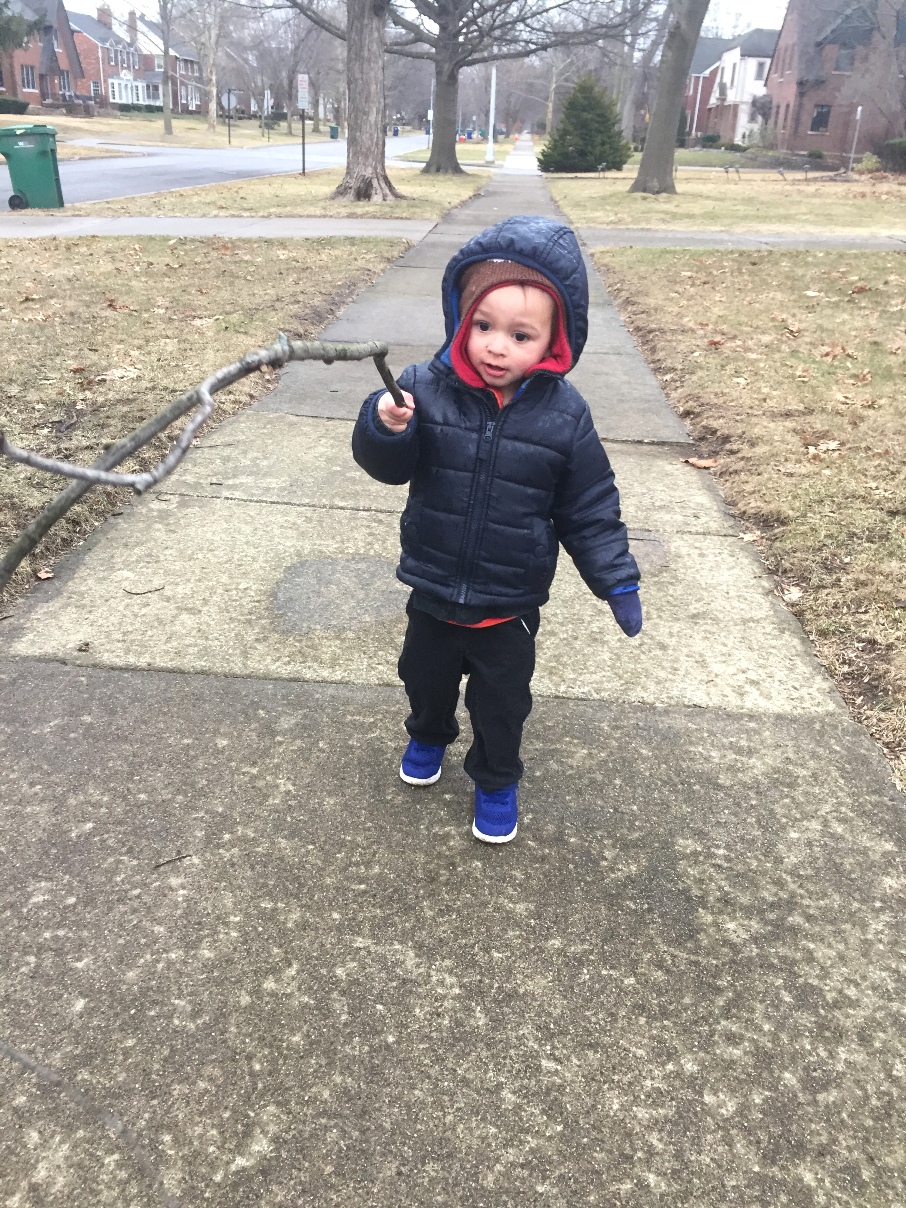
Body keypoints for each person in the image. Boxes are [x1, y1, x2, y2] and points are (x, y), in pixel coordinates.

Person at [352, 215, 642, 844]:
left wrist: (617, 581)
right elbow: (387, 468)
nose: (496, 347)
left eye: (520, 335)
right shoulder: (423, 388)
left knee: (502, 705)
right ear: (462, 317)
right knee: (423, 679)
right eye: (483, 325)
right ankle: (428, 735)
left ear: (555, 341)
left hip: (508, 602)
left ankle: (496, 779)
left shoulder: (565, 416)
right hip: (433, 587)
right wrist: (386, 427)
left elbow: (590, 506)